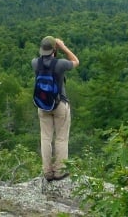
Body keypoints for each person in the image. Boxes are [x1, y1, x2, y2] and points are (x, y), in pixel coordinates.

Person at [32, 36, 79, 181]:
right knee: (61, 138)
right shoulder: (60, 64)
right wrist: (63, 47)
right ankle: (59, 171)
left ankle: (47, 172)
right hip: (60, 104)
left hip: (42, 105)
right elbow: (76, 61)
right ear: (54, 49)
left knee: (45, 138)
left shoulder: (35, 63)